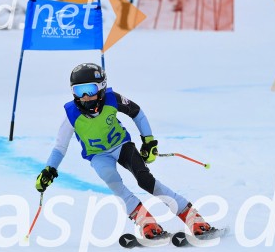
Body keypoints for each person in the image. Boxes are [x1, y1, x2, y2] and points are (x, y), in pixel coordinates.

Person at [35, 63, 212, 239]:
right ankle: (146, 221)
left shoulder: (112, 99)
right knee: (111, 178)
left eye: (90, 89)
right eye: (79, 91)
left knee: (145, 180)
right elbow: (60, 147)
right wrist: (50, 169)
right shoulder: (71, 114)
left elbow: (137, 113)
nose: (86, 96)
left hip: (122, 146)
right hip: (97, 155)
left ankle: (191, 217)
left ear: (102, 86)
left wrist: (148, 141)